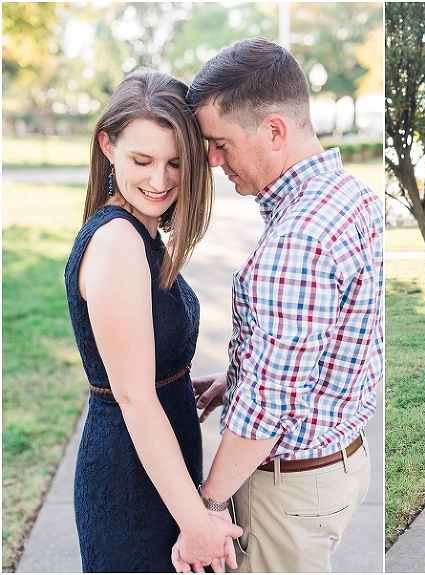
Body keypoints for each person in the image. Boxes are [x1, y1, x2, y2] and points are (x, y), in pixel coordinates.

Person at [173, 37, 384, 572]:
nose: (214, 162)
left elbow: (270, 403)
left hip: (287, 490)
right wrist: (234, 381)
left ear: (273, 130)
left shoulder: (297, 239)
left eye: (219, 144)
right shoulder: (349, 196)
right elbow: (328, 342)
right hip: (339, 460)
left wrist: (210, 505)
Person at [64, 70, 242, 572]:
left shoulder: (143, 235)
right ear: (107, 146)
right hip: (131, 479)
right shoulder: (118, 241)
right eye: (142, 161)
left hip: (162, 464)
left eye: (176, 163)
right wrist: (198, 524)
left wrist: (180, 381)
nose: (159, 180)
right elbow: (134, 397)